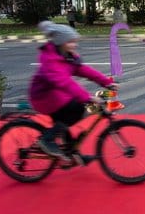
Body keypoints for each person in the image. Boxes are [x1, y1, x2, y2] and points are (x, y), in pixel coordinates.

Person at [29, 20, 117, 162]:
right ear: (61, 42)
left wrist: (106, 82)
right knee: (75, 109)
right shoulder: (51, 60)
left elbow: (83, 70)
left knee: (67, 116)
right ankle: (46, 140)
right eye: (71, 42)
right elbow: (66, 83)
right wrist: (88, 98)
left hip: (55, 93)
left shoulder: (67, 55)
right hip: (43, 97)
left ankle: (71, 153)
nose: (74, 45)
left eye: (75, 41)